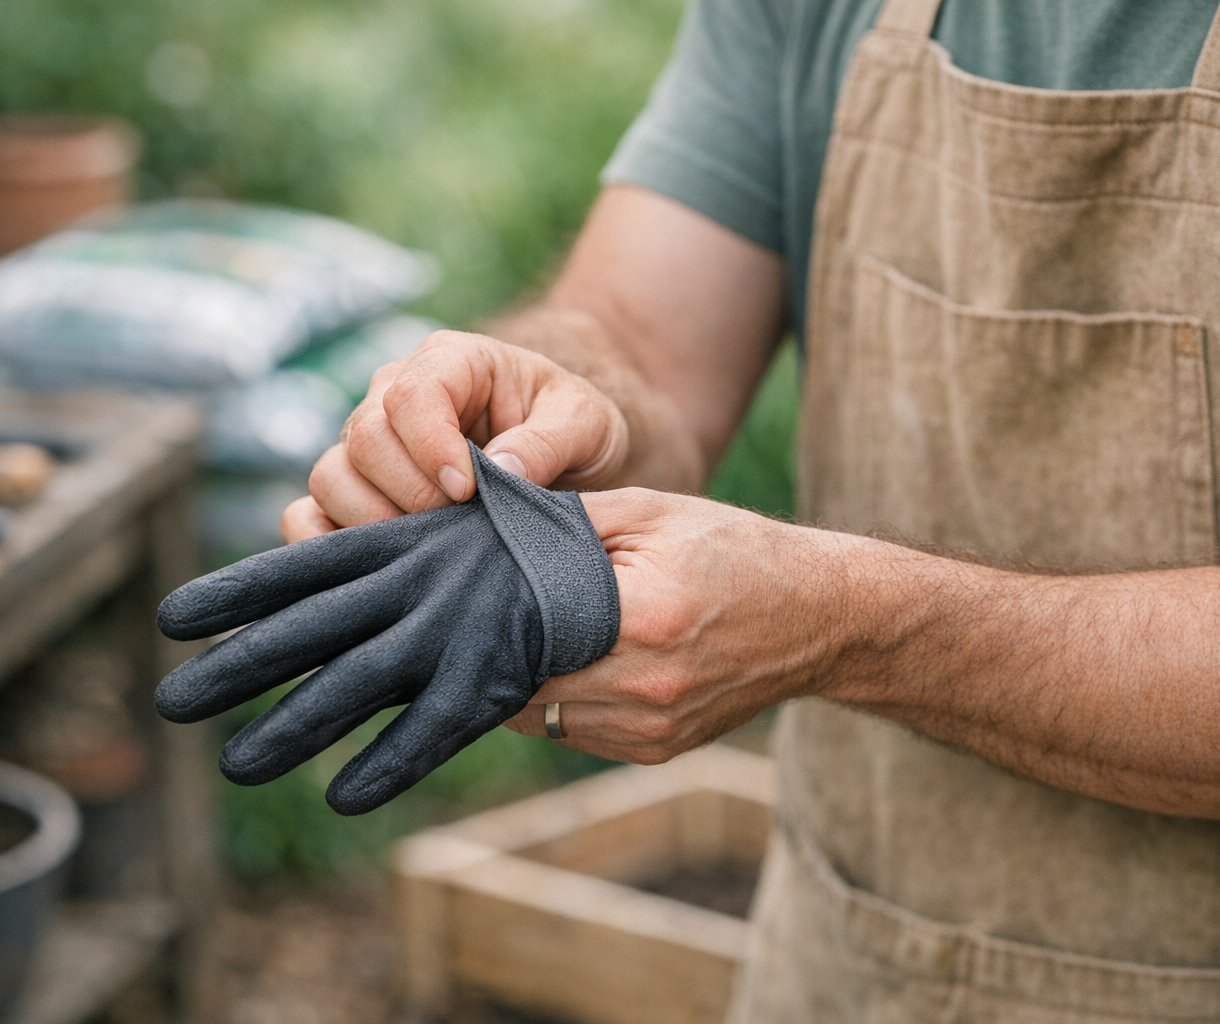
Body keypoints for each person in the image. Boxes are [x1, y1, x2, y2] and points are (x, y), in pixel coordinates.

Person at [284, 0, 1220, 1018]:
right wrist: (542, 402)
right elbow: (643, 335)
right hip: (853, 957)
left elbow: (851, 627)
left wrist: (855, 626)